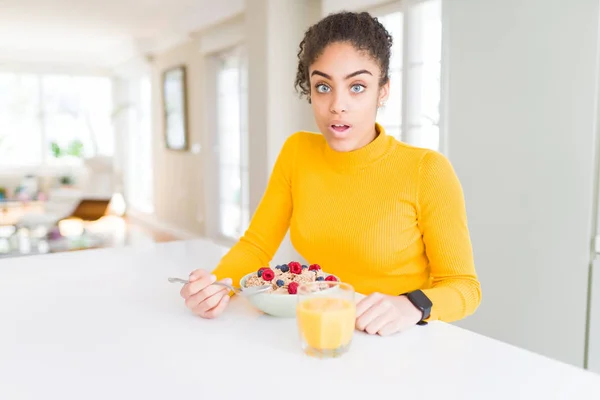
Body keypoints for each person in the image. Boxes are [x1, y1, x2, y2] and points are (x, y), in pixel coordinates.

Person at [180, 11, 481, 335]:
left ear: (383, 90)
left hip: (398, 341)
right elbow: (256, 247)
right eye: (323, 87)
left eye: (357, 86)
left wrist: (411, 305)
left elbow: (464, 287)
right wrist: (217, 287)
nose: (337, 105)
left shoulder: (427, 171)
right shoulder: (297, 152)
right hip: (321, 330)